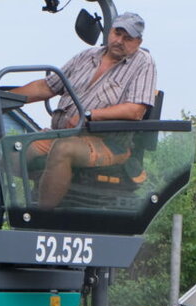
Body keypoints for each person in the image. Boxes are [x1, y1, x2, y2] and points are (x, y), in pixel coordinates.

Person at [9, 12, 157, 209]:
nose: (119, 41)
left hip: (108, 142)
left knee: (63, 150)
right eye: (117, 33)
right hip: (63, 133)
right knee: (13, 150)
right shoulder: (87, 56)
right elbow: (46, 87)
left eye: (127, 38)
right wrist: (2, 98)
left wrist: (89, 116)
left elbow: (135, 110)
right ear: (110, 32)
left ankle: (41, 216)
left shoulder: (143, 62)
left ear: (138, 42)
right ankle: (11, 209)